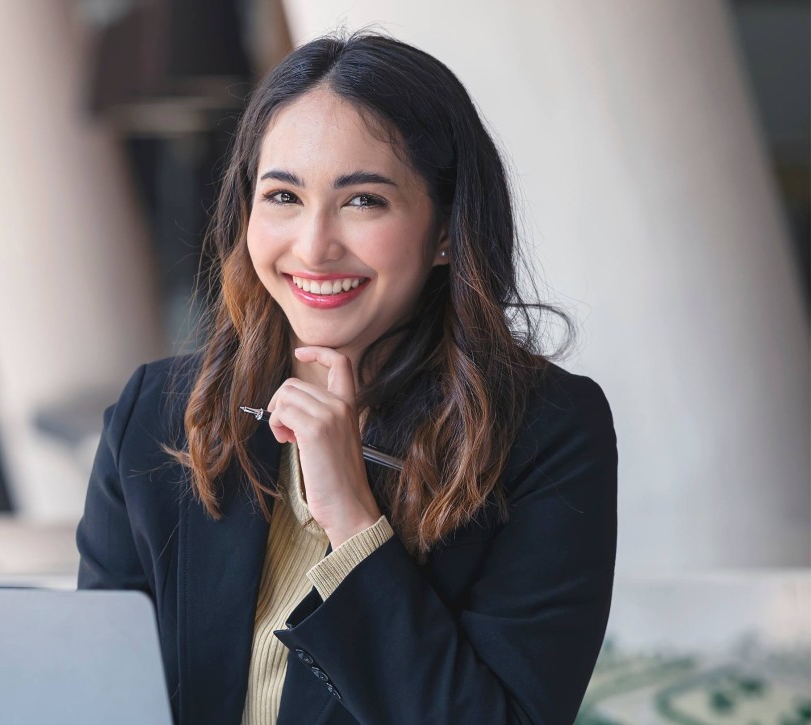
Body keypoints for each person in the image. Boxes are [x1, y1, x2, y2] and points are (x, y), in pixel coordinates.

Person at [75, 30, 617, 725]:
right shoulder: (156, 412)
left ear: (447, 228)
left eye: (363, 201)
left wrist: (354, 523)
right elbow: (98, 694)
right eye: (282, 197)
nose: (313, 245)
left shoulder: (545, 433)